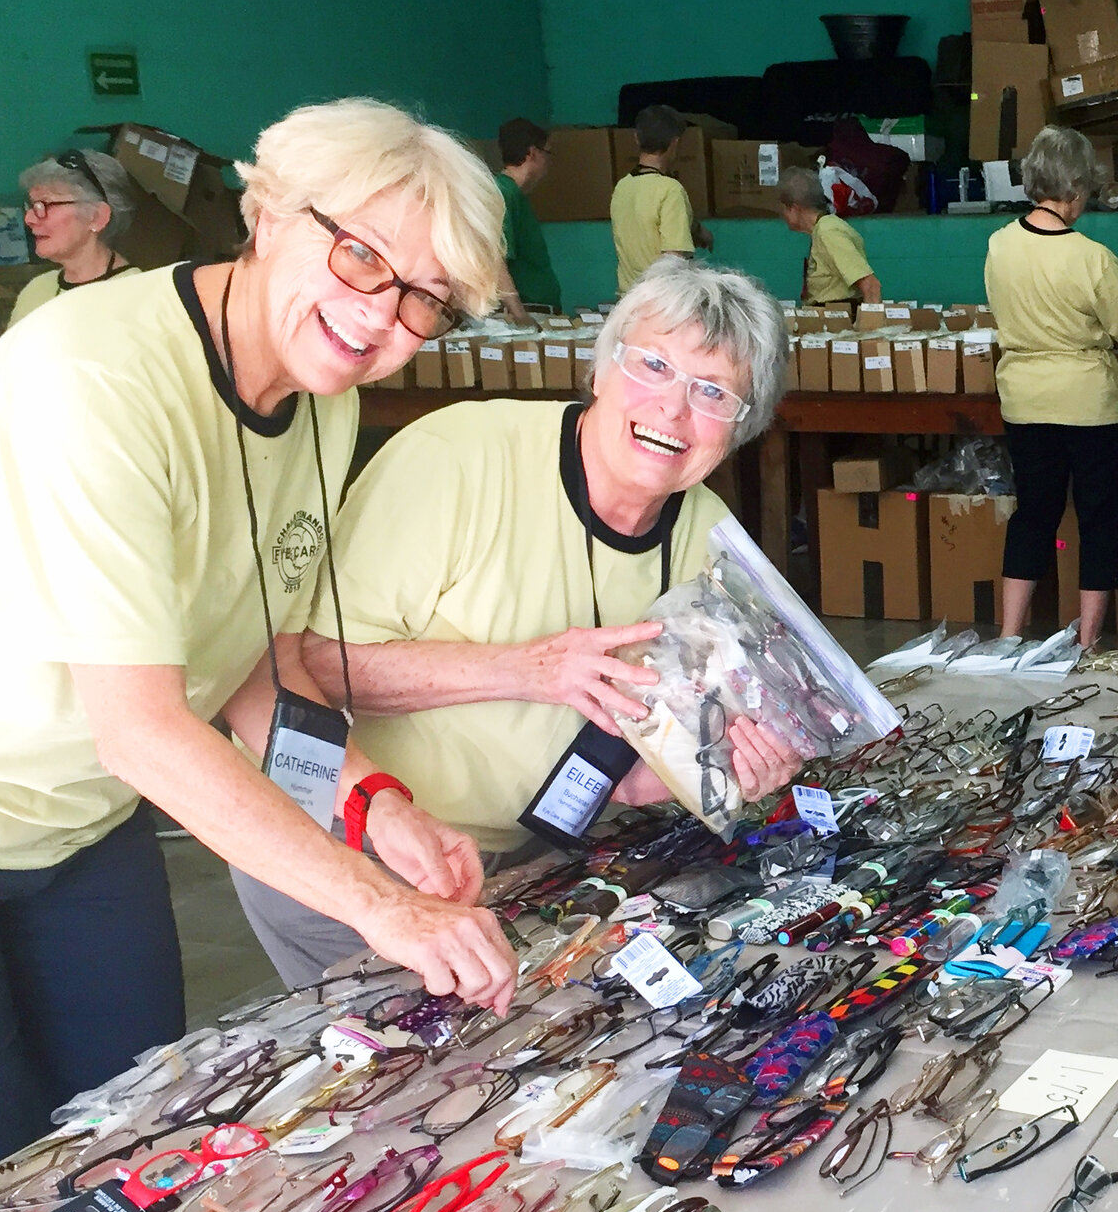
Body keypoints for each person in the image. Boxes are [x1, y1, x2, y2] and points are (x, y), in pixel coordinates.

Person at [0, 97, 520, 1212]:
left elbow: (250, 666)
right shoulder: (98, 373)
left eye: (425, 301)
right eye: (361, 256)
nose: (380, 318)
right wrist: (383, 910)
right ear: (265, 212)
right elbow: (144, 725)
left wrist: (377, 812)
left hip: (75, 824)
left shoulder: (318, 403)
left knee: (138, 1163)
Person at [233, 257, 803, 985]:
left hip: (519, 854)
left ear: (740, 426)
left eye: (713, 392)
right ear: (601, 369)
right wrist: (528, 668)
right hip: (346, 837)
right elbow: (297, 664)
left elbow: (639, 741)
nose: (672, 407)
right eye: (653, 364)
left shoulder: (708, 535)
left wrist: (711, 771)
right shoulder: (459, 460)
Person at [984, 126, 1118, 649]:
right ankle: (1088, 641)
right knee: (1098, 520)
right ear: (1077, 187)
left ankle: (1009, 635)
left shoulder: (999, 245)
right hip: (1090, 403)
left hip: (1025, 400)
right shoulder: (1092, 257)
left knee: (1034, 513)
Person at [9, 147, 139, 329]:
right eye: (31, 205)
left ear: (96, 217)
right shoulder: (36, 290)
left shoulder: (140, 298)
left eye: (44, 204)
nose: (29, 219)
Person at [611, 104, 710, 295]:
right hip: (662, 301)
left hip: (629, 299)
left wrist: (697, 230)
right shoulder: (671, 190)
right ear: (675, 143)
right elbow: (674, 258)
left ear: (636, 138)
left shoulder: (622, 187)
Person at [777, 166, 879, 307]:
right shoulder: (822, 229)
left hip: (839, 319)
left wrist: (868, 327)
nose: (782, 216)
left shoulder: (828, 231)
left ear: (793, 208)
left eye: (783, 209)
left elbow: (871, 286)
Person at [495, 116, 564, 321]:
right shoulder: (504, 194)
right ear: (533, 153)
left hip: (535, 309)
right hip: (525, 313)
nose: (549, 163)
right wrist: (520, 315)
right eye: (548, 153)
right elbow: (494, 259)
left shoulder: (513, 193)